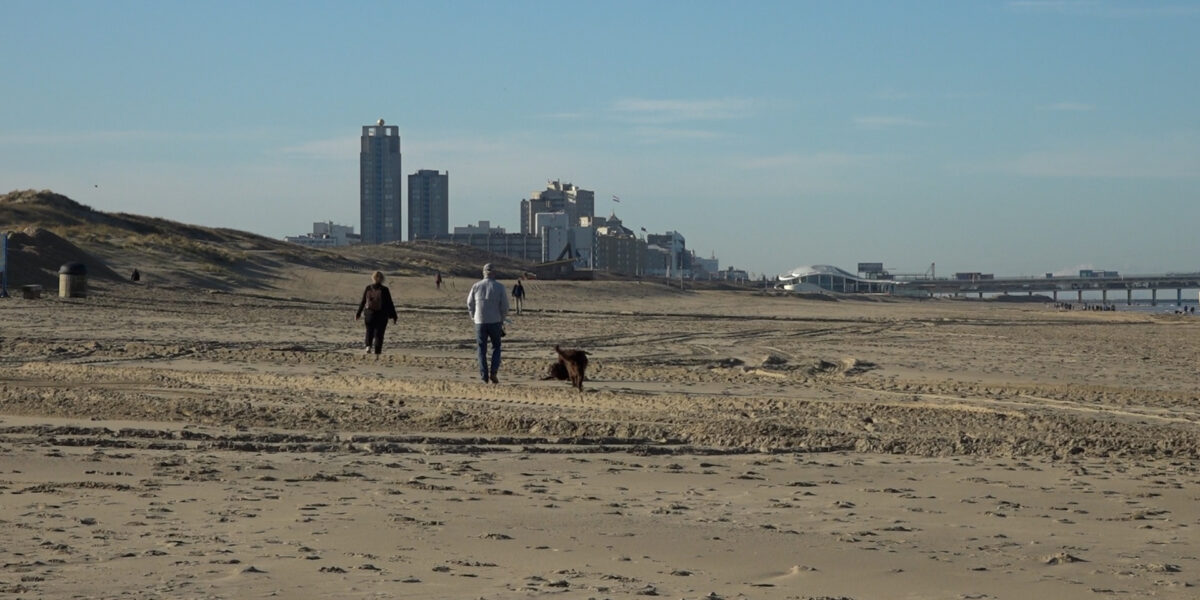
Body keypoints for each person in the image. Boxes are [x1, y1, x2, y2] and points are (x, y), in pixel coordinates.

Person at [467, 263, 509, 383]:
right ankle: (493, 372)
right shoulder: (499, 287)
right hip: (495, 321)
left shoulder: (476, 286)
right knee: (496, 347)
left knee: (481, 349)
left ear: (483, 273)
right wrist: (502, 319)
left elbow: (469, 303)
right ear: (494, 273)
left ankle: (484, 375)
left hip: (480, 321)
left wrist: (473, 317)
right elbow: (505, 306)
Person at [355, 271, 398, 356]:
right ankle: (377, 352)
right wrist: (394, 315)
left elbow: (363, 301)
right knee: (379, 333)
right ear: (382, 279)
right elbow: (390, 303)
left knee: (369, 330)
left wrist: (358, 313)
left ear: (373, 278)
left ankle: (368, 346)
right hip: (382, 315)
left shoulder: (368, 288)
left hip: (369, 314)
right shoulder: (385, 289)